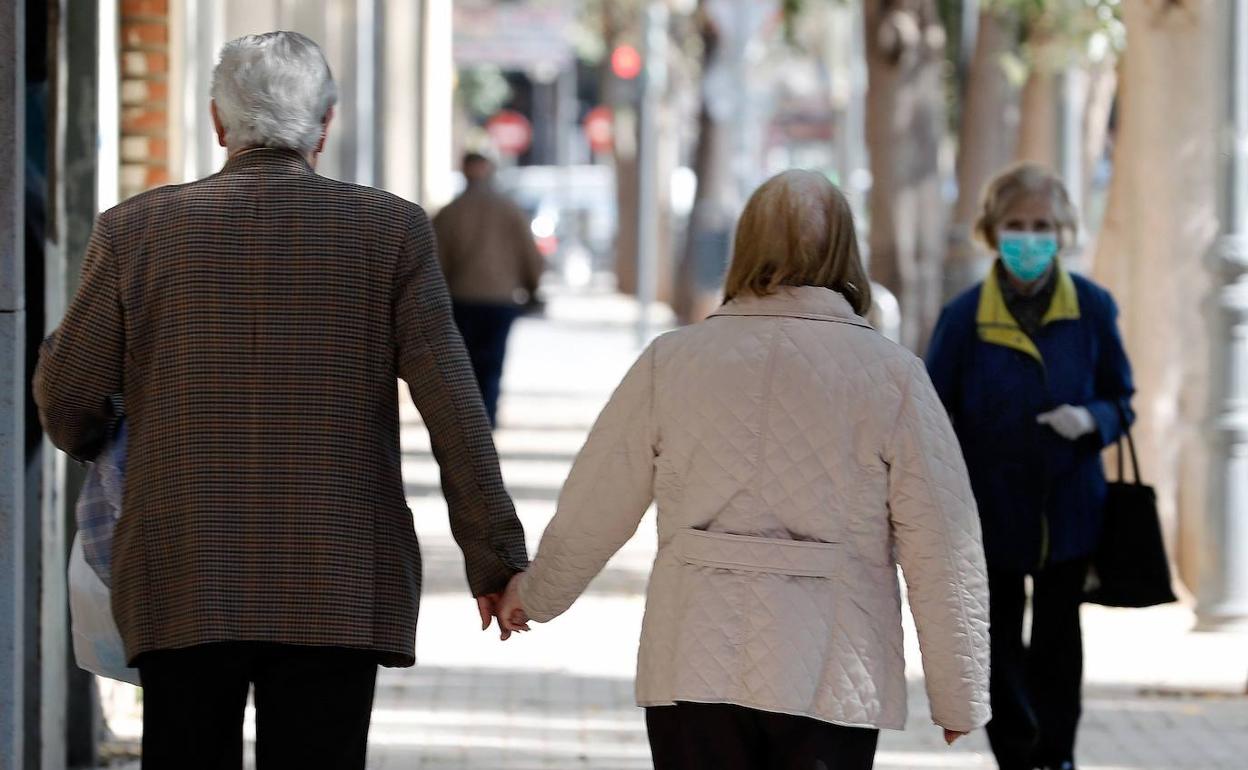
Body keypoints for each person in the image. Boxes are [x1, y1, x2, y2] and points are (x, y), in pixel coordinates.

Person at [34, 32, 528, 770]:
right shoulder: (389, 231)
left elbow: (67, 397)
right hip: (336, 576)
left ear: (217, 122)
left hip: (180, 568)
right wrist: (494, 559)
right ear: (324, 126)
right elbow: (453, 405)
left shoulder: (132, 232)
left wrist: (109, 430)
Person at [497, 170, 992, 770]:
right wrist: (959, 693)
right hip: (833, 664)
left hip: (694, 654)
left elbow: (598, 498)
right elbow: (943, 540)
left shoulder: (672, 362)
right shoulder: (892, 377)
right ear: (844, 250)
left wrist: (536, 594)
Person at [924, 164, 1135, 770]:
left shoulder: (1092, 308)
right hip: (989, 510)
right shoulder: (963, 317)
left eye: (1042, 225)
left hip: (1070, 507)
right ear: (992, 231)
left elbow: (1121, 398)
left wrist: (1092, 418)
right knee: (996, 642)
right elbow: (934, 415)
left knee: (1059, 640)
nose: (1029, 237)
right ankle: (1017, 755)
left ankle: (1058, 755)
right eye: (1016, 225)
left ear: (1063, 230)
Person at [433, 152, 545, 427]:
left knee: (464, 364)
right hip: (501, 299)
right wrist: (533, 289)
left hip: (461, 298)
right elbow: (529, 254)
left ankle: (467, 421)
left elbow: (436, 260)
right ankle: (487, 418)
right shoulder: (509, 209)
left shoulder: (450, 212)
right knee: (493, 362)